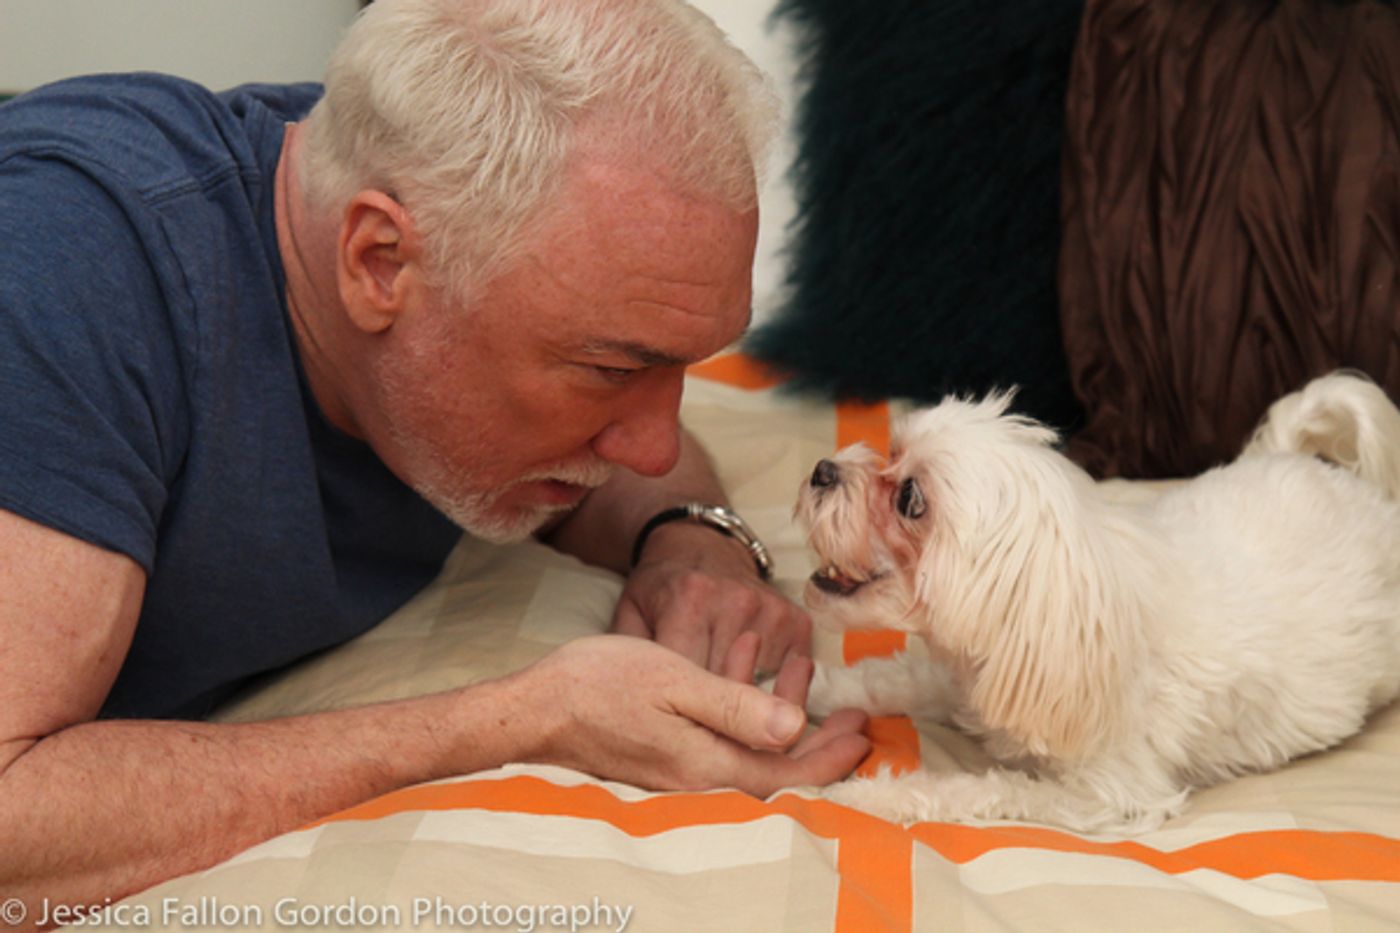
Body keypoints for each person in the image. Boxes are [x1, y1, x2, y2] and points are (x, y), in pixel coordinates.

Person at [0, 0, 870, 912]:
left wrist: (692, 538)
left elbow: (619, 413)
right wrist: (522, 722)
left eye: (679, 367)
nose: (655, 448)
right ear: (378, 262)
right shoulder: (60, 281)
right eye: (612, 368)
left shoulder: (425, 199)